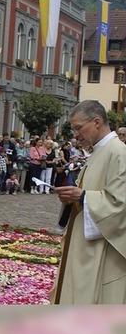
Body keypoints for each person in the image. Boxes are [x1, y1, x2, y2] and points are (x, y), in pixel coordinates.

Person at [53, 100, 126, 304]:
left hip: (103, 249)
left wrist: (82, 196)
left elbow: (120, 204)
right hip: (85, 243)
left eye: (78, 128)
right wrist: (71, 198)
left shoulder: (118, 153)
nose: (76, 134)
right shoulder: (99, 152)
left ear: (97, 121)